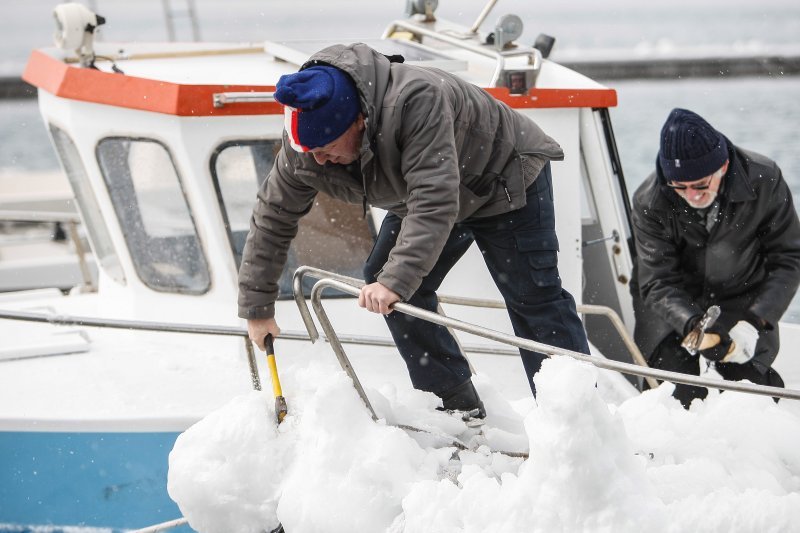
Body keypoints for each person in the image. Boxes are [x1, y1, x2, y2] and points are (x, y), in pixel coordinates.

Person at [238, 43, 590, 417]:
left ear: (358, 121)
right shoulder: (305, 145)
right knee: (388, 279)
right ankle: (455, 407)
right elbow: (273, 215)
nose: (318, 158)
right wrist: (257, 308)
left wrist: (396, 281)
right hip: (427, 193)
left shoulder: (416, 100)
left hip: (501, 178)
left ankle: (578, 420)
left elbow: (435, 199)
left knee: (532, 296)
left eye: (325, 148)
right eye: (308, 150)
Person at [630, 108, 800, 408]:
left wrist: (755, 321)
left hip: (744, 299)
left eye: (700, 185)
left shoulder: (765, 178)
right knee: (676, 394)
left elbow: (788, 258)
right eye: (679, 187)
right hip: (672, 310)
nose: (691, 195)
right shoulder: (649, 200)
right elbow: (658, 281)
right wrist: (692, 322)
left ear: (722, 166)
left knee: (751, 393)